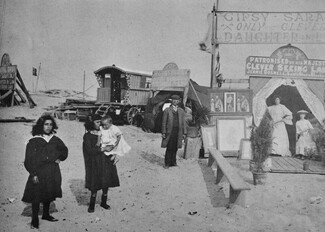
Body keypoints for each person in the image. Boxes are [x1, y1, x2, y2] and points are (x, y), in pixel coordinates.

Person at [22, 115, 68, 229]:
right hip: (39, 171)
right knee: (37, 195)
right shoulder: (33, 141)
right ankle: (34, 219)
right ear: (41, 125)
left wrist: (60, 158)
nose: (48, 127)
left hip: (52, 171)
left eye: (50, 124)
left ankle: (46, 214)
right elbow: (28, 160)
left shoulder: (55, 139)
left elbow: (64, 150)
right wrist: (33, 173)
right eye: (46, 124)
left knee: (49, 192)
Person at [82, 114, 120, 213]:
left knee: (106, 181)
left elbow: (113, 142)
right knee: (95, 183)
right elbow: (90, 150)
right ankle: (92, 204)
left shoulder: (105, 132)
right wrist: (103, 148)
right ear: (91, 123)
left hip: (106, 161)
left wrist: (114, 151)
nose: (100, 123)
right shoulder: (88, 136)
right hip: (95, 162)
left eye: (100, 121)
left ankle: (103, 202)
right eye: (97, 122)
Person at [161, 95, 187, 168]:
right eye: (173, 99)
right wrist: (163, 132)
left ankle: (173, 162)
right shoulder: (167, 110)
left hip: (178, 132)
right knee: (169, 147)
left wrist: (184, 132)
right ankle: (167, 163)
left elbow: (183, 122)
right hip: (170, 131)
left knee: (175, 147)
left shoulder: (181, 111)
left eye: (177, 100)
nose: (175, 101)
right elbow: (164, 122)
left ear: (179, 101)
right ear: (171, 101)